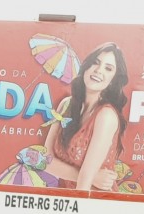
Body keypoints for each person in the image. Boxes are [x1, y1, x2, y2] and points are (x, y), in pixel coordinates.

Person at [44, 42, 128, 191]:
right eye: (95, 63)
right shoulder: (66, 105)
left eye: (108, 68)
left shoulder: (106, 116)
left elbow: (85, 183)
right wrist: (92, 177)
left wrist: (87, 178)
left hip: (93, 202)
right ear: (87, 66)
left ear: (113, 80)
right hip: (65, 199)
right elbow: (46, 160)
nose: (98, 71)